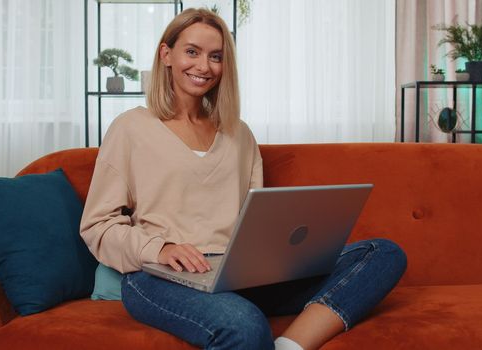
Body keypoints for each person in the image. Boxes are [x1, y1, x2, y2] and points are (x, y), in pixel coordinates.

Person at [80, 8, 407, 350]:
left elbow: (255, 218)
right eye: (192, 51)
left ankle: (290, 345)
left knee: (382, 253)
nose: (204, 66)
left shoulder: (240, 135)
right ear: (166, 54)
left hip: (236, 273)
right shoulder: (131, 128)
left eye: (215, 56)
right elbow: (97, 225)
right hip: (158, 276)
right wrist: (160, 249)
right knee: (244, 324)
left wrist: (273, 257)